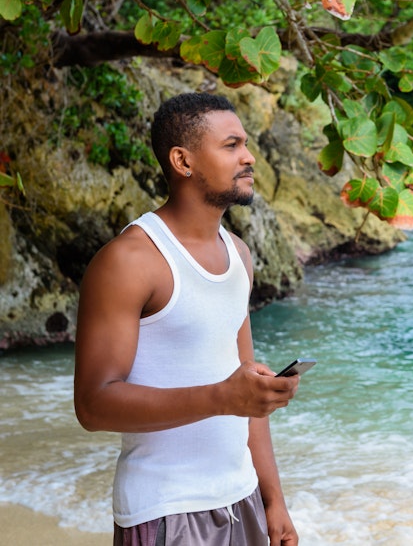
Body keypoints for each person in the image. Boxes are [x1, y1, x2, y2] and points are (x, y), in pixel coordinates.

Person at [74, 92, 300, 546]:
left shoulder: (239, 255)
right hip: (165, 511)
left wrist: (274, 501)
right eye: (231, 145)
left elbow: (246, 393)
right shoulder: (130, 260)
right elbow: (94, 406)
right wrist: (221, 398)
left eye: (245, 144)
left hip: (244, 500)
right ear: (183, 160)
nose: (249, 156)